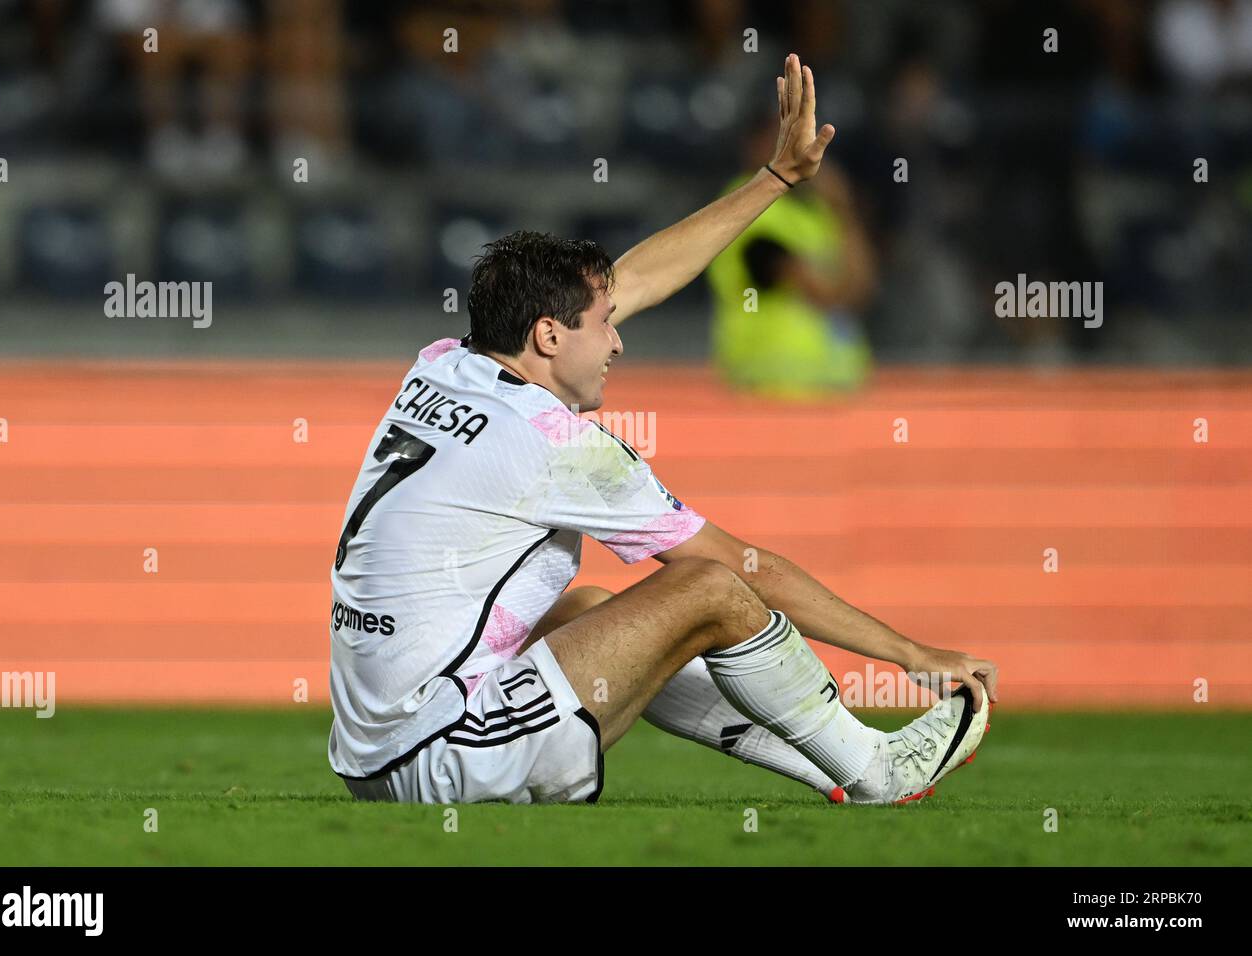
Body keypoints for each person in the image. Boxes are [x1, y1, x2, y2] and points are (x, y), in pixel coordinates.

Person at [329, 54, 997, 805]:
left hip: (376, 756)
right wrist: (911, 653)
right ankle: (876, 769)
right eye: (604, 326)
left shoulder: (442, 366)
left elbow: (637, 277)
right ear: (549, 336)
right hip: (449, 757)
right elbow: (748, 567)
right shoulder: (556, 444)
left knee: (589, 608)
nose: (618, 341)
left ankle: (828, 771)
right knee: (712, 588)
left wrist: (775, 179)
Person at [706, 109, 878, 397]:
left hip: (829, 386)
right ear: (755, 145)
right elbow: (827, 293)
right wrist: (842, 211)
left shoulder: (814, 212)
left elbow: (862, 289)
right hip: (772, 384)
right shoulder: (745, 209)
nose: (799, 149)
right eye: (783, 139)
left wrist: (842, 209)